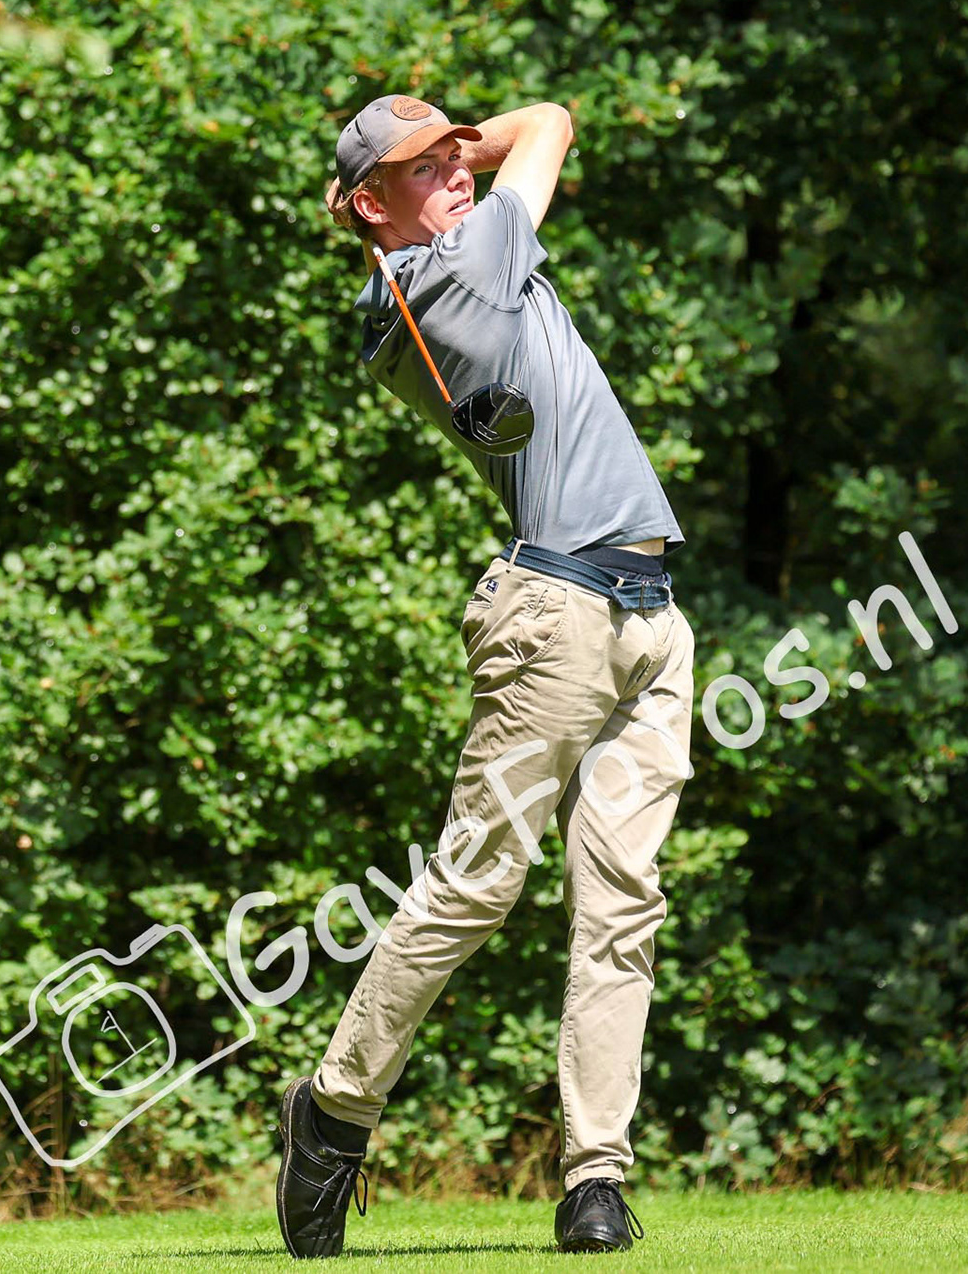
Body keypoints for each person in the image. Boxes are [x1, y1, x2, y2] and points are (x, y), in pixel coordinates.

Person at [274, 94, 697, 1258]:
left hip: (650, 619)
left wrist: (434, 143)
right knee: (477, 884)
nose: (456, 171)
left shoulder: (444, 265)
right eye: (424, 167)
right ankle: (335, 1107)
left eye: (456, 158)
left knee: (624, 904)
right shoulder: (454, 271)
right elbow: (553, 119)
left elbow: (501, 152)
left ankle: (595, 1177)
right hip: (557, 612)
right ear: (370, 207)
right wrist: (472, 126)